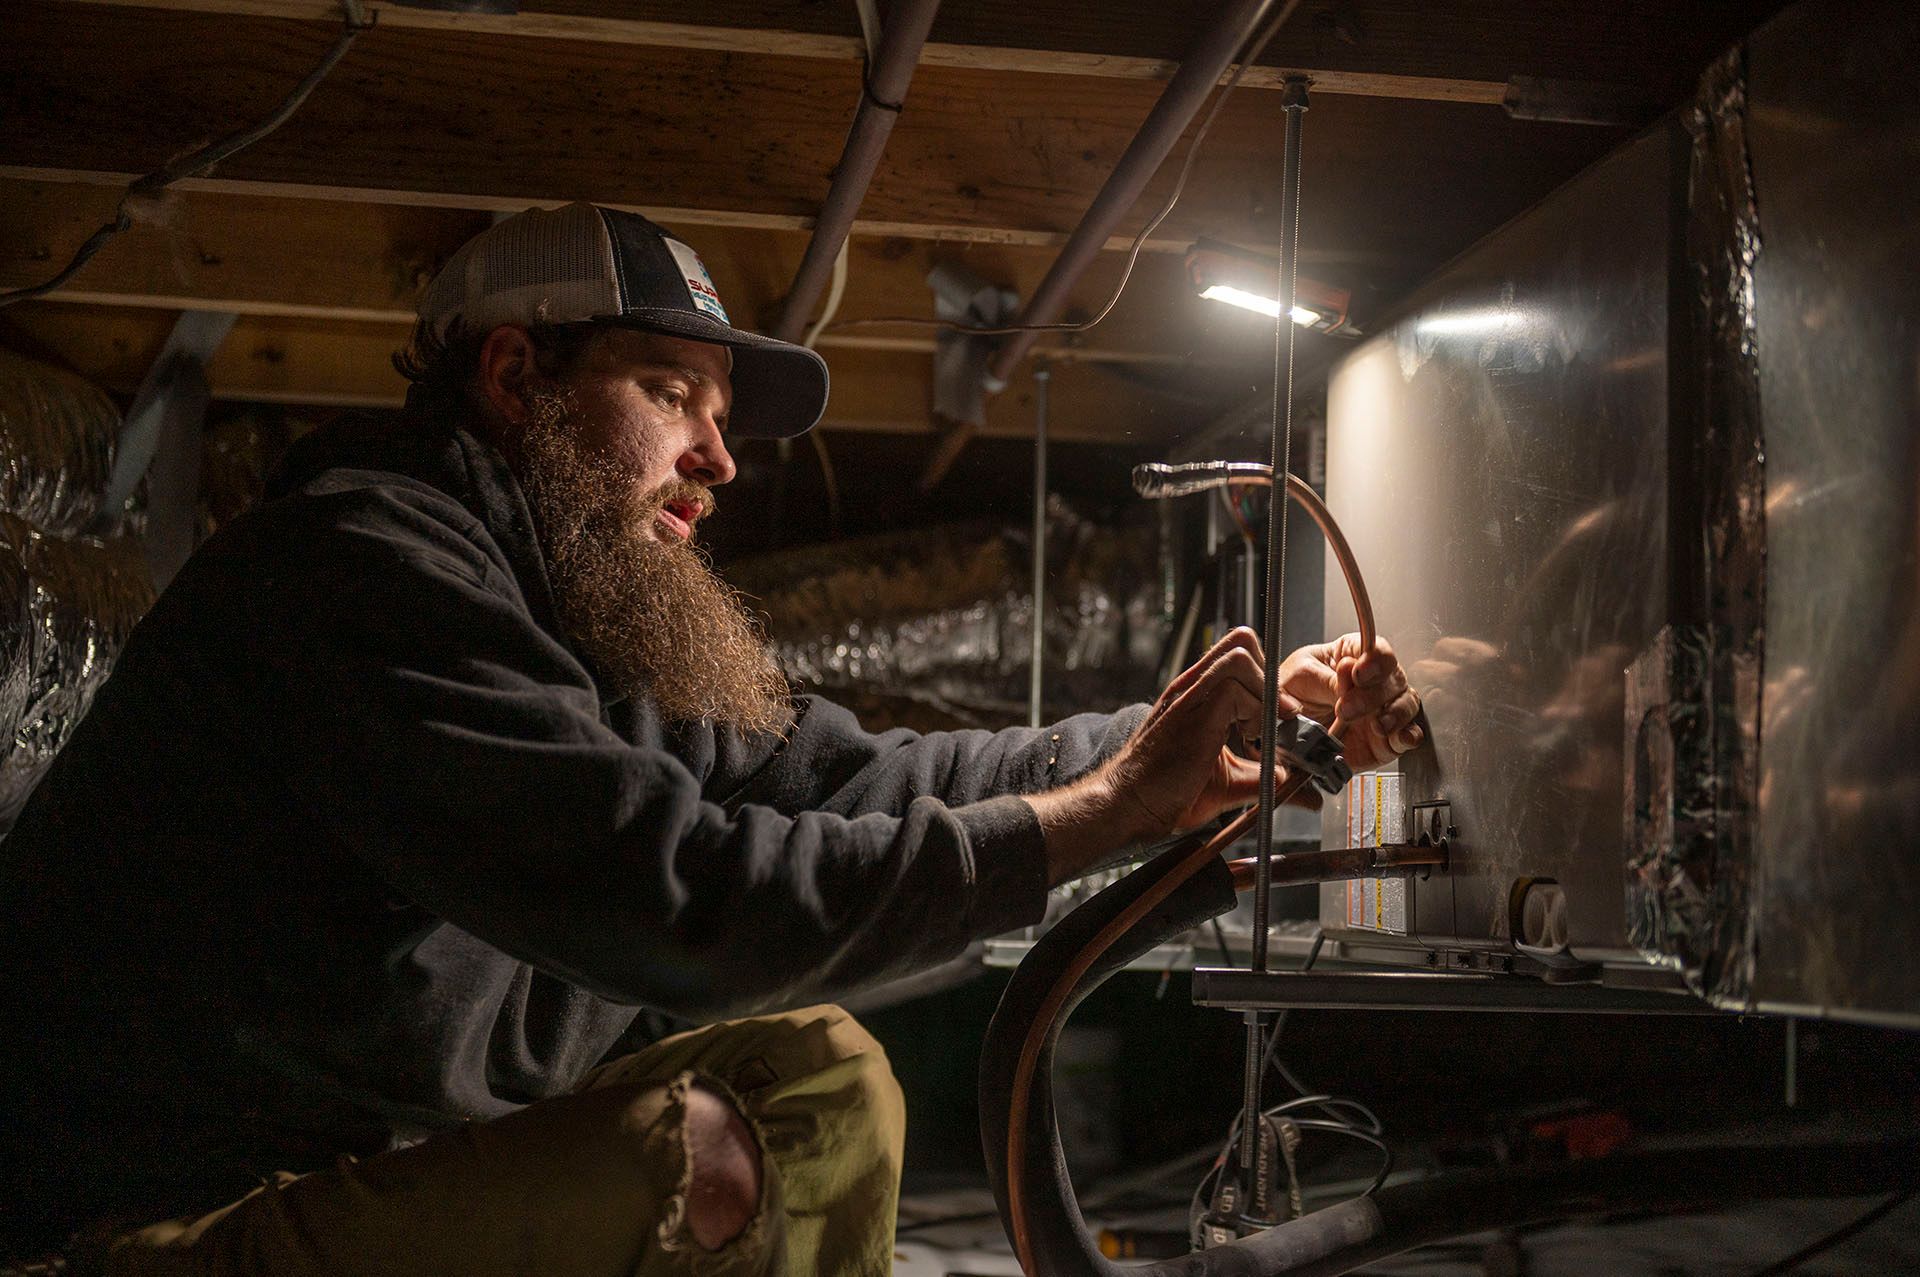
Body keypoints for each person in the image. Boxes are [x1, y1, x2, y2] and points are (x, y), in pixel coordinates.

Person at [0, 204, 1421, 1276]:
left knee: (825, 1081)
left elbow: (862, 781)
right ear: (515, 378)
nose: (721, 457)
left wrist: (1169, 743)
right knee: (685, 1154)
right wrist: (1104, 810)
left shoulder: (578, 623)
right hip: (151, 1225)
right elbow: (680, 896)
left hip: (368, 1169)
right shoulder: (364, 574)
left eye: (724, 417)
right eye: (673, 395)